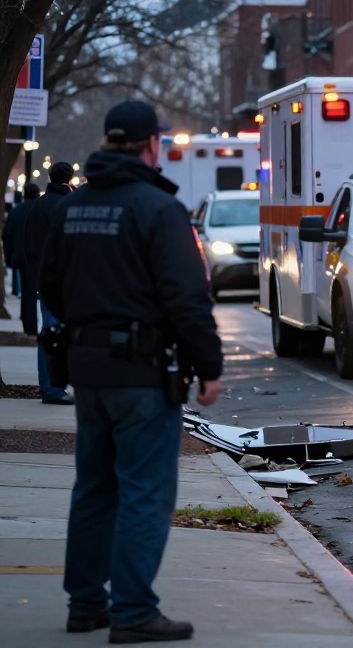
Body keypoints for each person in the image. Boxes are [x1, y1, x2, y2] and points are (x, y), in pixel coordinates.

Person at [40, 100, 223, 643]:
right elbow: (188, 297)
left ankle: (86, 604)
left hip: (87, 369)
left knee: (94, 486)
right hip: (143, 373)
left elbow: (50, 286)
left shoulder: (72, 208)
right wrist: (208, 366)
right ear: (150, 145)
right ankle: (135, 610)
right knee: (145, 490)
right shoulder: (158, 209)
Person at [25, 164, 75, 404]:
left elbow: (30, 242)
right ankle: (54, 387)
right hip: (61, 279)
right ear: (69, 179)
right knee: (57, 333)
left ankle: (50, 384)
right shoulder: (64, 205)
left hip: (44, 277)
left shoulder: (40, 205)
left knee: (49, 333)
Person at [3, 184, 41, 327]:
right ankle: (32, 320)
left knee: (26, 288)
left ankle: (27, 319)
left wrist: (9, 256)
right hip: (37, 255)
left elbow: (7, 234)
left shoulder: (16, 211)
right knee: (34, 288)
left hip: (20, 255)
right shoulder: (38, 210)